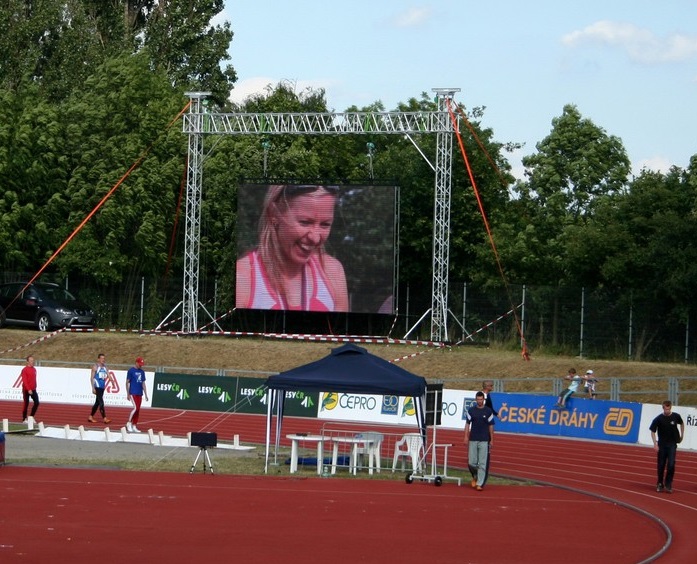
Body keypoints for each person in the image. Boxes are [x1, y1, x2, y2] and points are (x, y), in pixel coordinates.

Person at [236, 184, 349, 312]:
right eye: (305, 222)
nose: (315, 238)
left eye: (325, 224)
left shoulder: (332, 272)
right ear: (273, 214)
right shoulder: (242, 278)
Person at [649, 400, 684, 493]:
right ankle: (660, 483)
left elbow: (682, 423)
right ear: (663, 408)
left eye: (669, 409)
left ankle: (668, 483)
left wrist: (682, 435)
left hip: (672, 444)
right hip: (662, 445)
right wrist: (655, 444)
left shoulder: (676, 416)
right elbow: (652, 431)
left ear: (671, 408)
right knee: (661, 465)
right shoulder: (658, 419)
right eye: (666, 409)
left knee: (671, 464)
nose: (667, 411)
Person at [464, 391, 495, 491]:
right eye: (478, 399)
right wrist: (466, 436)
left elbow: (491, 426)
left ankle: (479, 483)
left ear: (483, 400)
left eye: (481, 399)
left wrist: (492, 439)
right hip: (473, 439)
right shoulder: (471, 410)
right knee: (471, 462)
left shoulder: (488, 411)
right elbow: (467, 424)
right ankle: (475, 475)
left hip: (484, 440)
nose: (479, 401)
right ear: (476, 399)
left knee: (482, 463)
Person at [88, 353, 115, 424]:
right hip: (97, 386)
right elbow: (91, 378)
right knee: (101, 402)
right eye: (102, 358)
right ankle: (104, 418)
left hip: (102, 387)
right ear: (98, 359)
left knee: (97, 403)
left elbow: (108, 375)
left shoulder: (105, 367)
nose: (103, 360)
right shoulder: (95, 367)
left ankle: (90, 416)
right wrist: (93, 388)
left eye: (104, 358)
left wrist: (112, 382)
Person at [125, 357, 148, 433]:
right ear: (136, 363)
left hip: (139, 392)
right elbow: (127, 382)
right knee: (135, 408)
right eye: (140, 364)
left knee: (138, 410)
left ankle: (134, 425)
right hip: (133, 392)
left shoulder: (142, 372)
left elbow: (143, 383)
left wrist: (146, 394)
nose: (141, 366)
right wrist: (128, 393)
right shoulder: (131, 371)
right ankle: (128, 423)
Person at [20, 355, 40, 423]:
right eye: (31, 361)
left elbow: (34, 379)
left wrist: (34, 387)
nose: (32, 362)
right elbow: (24, 381)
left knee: (37, 402)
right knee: (26, 404)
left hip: (33, 389)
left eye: (33, 360)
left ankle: (31, 417)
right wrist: (28, 389)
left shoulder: (34, 369)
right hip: (26, 390)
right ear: (27, 361)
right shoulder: (24, 370)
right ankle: (24, 419)